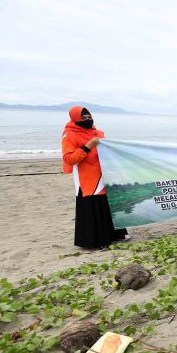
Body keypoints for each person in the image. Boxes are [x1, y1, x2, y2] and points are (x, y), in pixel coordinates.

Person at [61, 106, 128, 248]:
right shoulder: (69, 135)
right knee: (92, 205)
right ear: (76, 119)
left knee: (107, 205)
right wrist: (87, 146)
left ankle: (115, 235)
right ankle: (94, 241)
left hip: (104, 175)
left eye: (89, 117)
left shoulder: (97, 133)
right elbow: (69, 159)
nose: (88, 120)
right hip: (87, 177)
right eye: (83, 118)